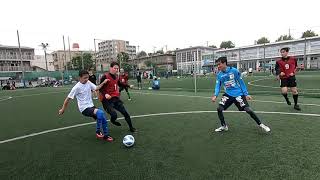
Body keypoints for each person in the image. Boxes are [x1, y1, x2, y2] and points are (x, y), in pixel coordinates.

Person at [211, 57, 270, 133]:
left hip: (238, 94)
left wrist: (246, 94)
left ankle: (261, 124)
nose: (218, 66)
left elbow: (241, 83)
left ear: (224, 63)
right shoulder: (219, 75)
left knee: (248, 110)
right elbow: (217, 86)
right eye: (217, 65)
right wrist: (215, 95)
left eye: (219, 64)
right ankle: (224, 126)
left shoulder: (234, 71)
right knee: (219, 109)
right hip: (228, 94)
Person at [58, 70, 113, 142]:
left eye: (88, 77)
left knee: (103, 119)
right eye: (85, 78)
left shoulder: (88, 82)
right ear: (79, 78)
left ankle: (106, 136)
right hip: (84, 109)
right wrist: (62, 109)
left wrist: (103, 82)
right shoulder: (76, 87)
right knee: (100, 113)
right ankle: (98, 131)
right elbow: (67, 99)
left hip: (91, 106)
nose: (87, 79)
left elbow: (96, 88)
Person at [99, 62, 136, 132]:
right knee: (114, 115)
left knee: (125, 113)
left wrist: (129, 86)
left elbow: (120, 83)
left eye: (117, 68)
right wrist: (105, 94)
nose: (116, 70)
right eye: (115, 68)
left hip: (115, 99)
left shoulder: (116, 77)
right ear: (110, 68)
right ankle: (113, 120)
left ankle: (131, 128)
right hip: (107, 100)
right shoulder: (105, 76)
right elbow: (100, 87)